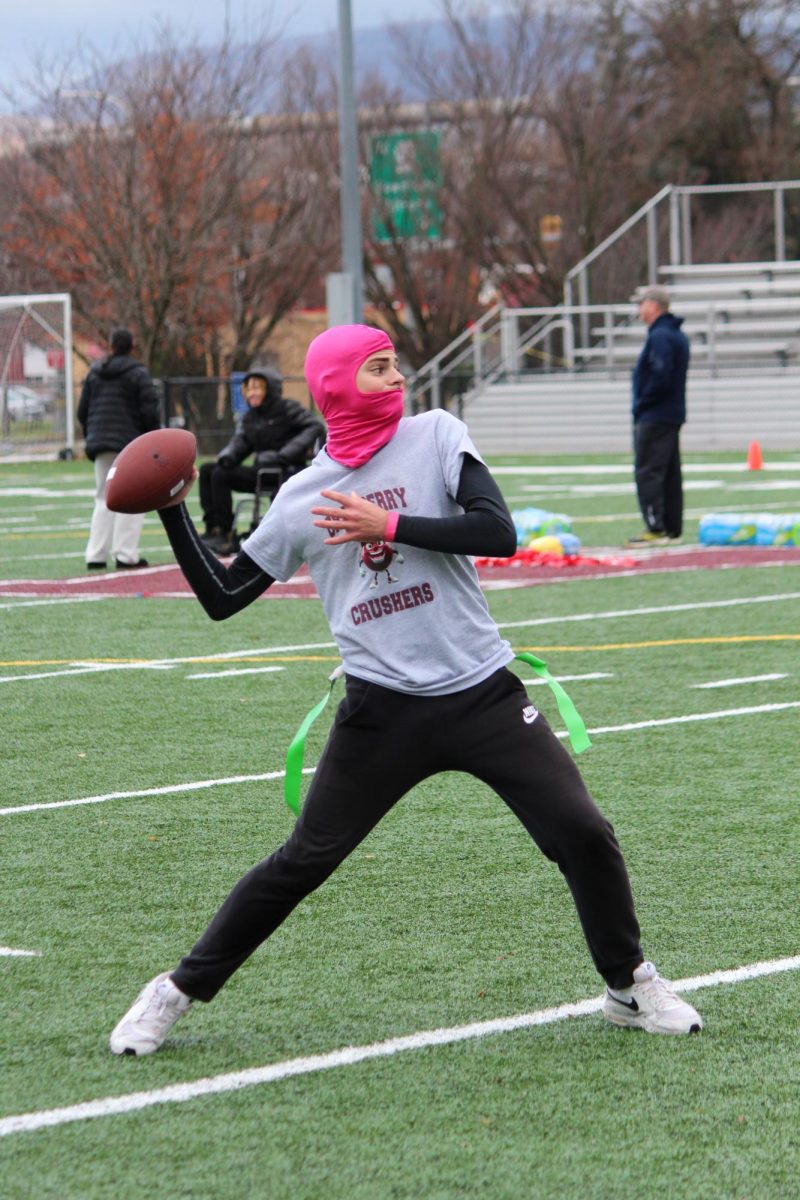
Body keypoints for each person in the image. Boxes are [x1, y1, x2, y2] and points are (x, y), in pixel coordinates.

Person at [110, 323, 702, 1056]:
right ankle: (173, 991)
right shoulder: (300, 498)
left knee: (582, 830)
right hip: (381, 710)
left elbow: (498, 531)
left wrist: (386, 521)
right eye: (378, 368)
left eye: (394, 365)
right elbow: (224, 597)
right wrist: (172, 510)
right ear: (334, 386)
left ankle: (629, 984)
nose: (397, 379)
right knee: (302, 861)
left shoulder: (434, 435)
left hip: (480, 690)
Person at [199, 367, 325, 554]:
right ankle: (214, 527)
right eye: (248, 389)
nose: (252, 393)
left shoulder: (287, 408)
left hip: (285, 471)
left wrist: (284, 454)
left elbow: (315, 426)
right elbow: (240, 441)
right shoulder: (250, 417)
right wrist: (227, 457)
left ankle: (225, 531)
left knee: (221, 476)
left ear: (270, 389)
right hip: (261, 471)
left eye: (257, 388)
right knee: (209, 469)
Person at [77, 327, 161, 569]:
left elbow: (82, 411)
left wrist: (92, 435)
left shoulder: (94, 373)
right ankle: (125, 555)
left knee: (103, 497)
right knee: (133, 498)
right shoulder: (138, 374)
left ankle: (95, 555)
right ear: (132, 346)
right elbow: (149, 411)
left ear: (111, 345)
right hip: (130, 445)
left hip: (101, 443)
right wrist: (152, 440)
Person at [625, 284, 690, 548]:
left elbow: (660, 374)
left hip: (655, 414)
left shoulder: (661, 336)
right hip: (670, 413)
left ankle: (656, 526)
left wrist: (642, 401)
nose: (639, 309)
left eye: (642, 303)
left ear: (654, 305)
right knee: (669, 472)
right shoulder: (675, 334)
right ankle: (672, 527)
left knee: (648, 471)